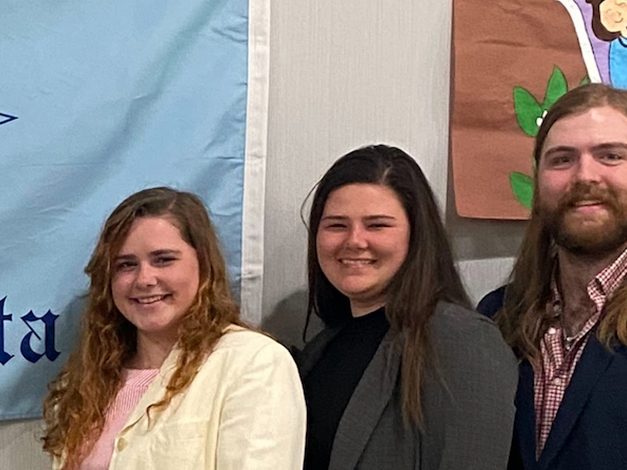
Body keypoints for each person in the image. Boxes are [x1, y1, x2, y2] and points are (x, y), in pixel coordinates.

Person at [41, 187, 305, 470]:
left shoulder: (254, 363)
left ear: (203, 264)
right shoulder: (87, 380)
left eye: (163, 259)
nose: (144, 279)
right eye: (126, 265)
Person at [295, 145, 516, 470]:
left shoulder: (462, 341)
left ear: (417, 235)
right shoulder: (321, 349)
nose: (354, 241)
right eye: (337, 225)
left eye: (377, 225)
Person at [479, 83, 627, 470]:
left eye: (611, 156)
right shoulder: (496, 316)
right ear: (538, 179)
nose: (585, 176)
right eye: (562, 159)